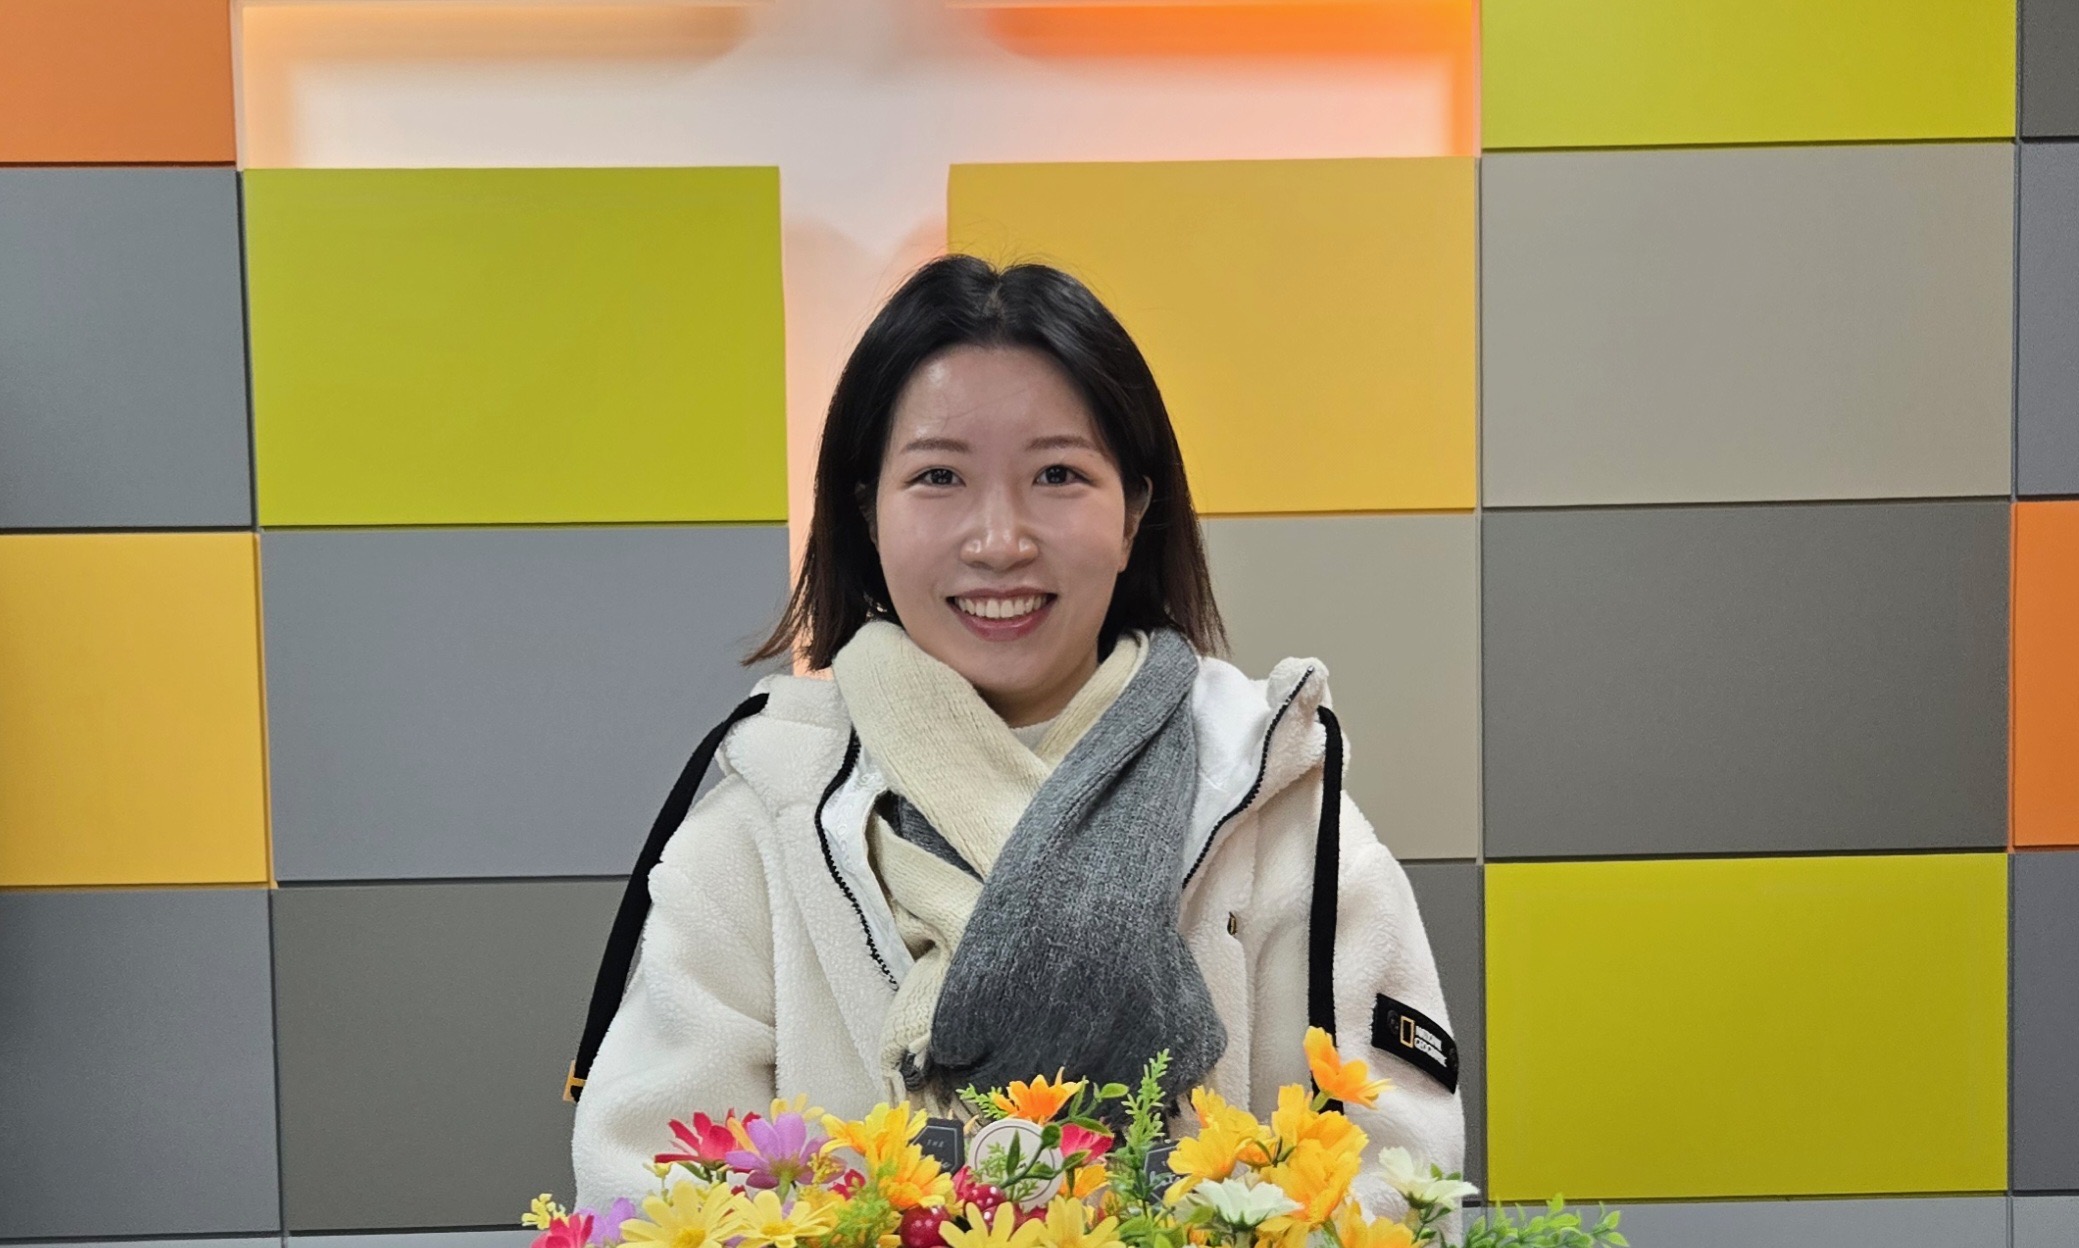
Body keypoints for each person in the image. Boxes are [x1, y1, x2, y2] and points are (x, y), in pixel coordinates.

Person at [571, 255, 1464, 1213]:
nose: (999, 540)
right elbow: (647, 1194)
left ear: (1134, 512)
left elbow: (1394, 1194)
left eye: (1057, 475)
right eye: (939, 476)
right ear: (866, 512)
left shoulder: (1279, 809)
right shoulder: (757, 824)